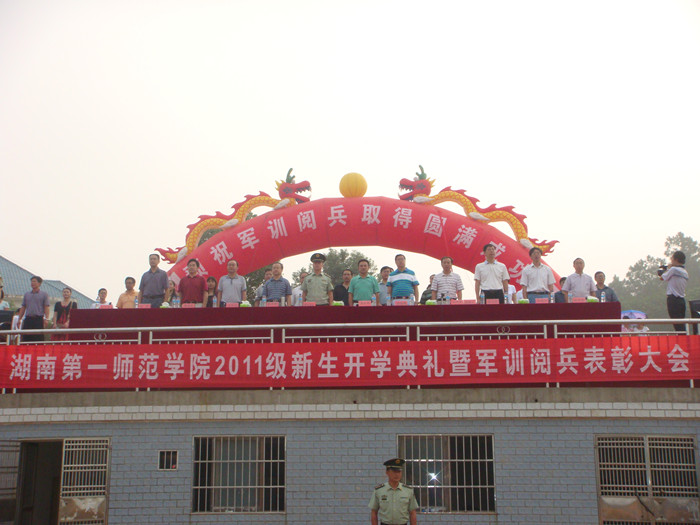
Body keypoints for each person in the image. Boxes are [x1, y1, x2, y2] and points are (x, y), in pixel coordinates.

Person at [368, 458, 418, 525]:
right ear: (387, 472)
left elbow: (413, 513)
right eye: (394, 472)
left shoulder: (408, 491)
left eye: (399, 472)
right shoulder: (379, 491)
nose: (397, 474)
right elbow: (374, 512)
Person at [660, 250, 689, 332]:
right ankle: (683, 338)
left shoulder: (673, 269)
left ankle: (682, 339)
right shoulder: (685, 272)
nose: (671, 260)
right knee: (681, 324)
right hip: (681, 301)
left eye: (672, 258)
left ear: (676, 259)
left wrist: (667, 269)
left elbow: (662, 277)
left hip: (673, 300)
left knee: (677, 325)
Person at [17, 276, 50, 342]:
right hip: (28, 319)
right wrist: (19, 319)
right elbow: (23, 307)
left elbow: (46, 307)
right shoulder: (27, 294)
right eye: (32, 281)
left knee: (38, 338)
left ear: (39, 283)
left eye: (34, 281)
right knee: (26, 338)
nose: (32, 283)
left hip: (38, 319)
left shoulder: (44, 294)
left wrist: (46, 319)